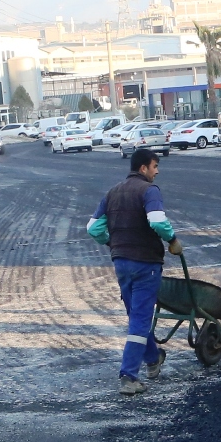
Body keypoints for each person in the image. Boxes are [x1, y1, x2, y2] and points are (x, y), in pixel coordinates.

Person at [87, 148, 177, 394]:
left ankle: (152, 359)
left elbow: (93, 228)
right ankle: (128, 376)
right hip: (145, 264)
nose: (157, 172)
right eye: (154, 166)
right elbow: (158, 221)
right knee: (139, 319)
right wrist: (171, 239)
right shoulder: (149, 191)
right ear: (143, 169)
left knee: (137, 315)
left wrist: (111, 241)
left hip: (121, 264)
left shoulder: (113, 192)